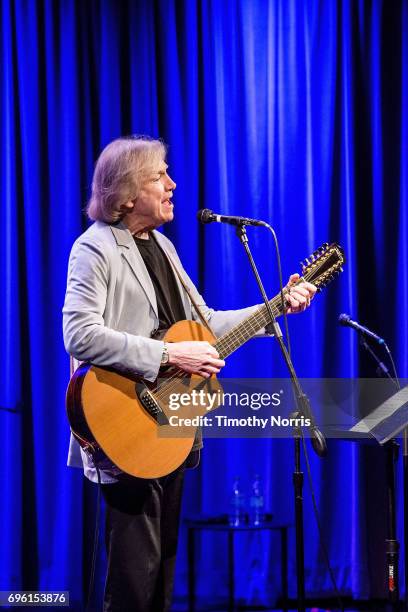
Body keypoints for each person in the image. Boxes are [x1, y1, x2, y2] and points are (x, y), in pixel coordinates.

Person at [62, 135, 316, 611]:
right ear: (128, 191)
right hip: (123, 423)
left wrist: (277, 307)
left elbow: (206, 324)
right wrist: (169, 356)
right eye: (160, 175)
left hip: (171, 423)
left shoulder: (161, 246)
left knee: (160, 578)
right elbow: (79, 335)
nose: (173, 184)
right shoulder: (94, 248)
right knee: (134, 581)